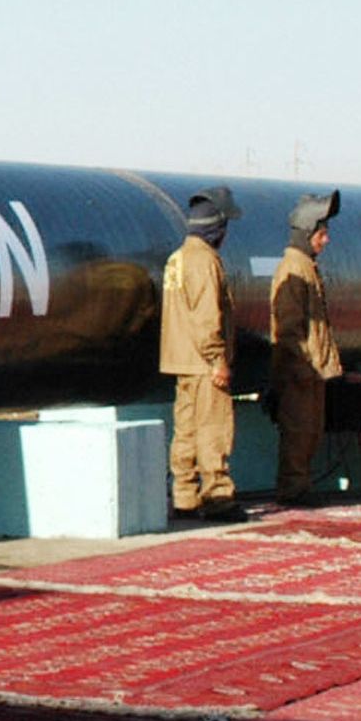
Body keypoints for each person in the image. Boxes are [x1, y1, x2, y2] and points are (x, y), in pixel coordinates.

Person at [268, 190, 361, 504]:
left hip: (310, 372)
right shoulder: (294, 270)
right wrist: (301, 368)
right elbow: (288, 329)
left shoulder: (305, 267)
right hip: (300, 371)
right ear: (308, 233)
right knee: (298, 432)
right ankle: (292, 490)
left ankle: (299, 487)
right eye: (322, 234)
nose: (325, 241)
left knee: (309, 432)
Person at [159, 187, 244, 521]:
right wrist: (218, 359)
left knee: (186, 432)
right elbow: (208, 317)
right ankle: (218, 498)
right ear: (217, 226)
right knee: (214, 430)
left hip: (183, 363)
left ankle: (185, 497)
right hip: (204, 364)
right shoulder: (205, 261)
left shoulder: (178, 258)